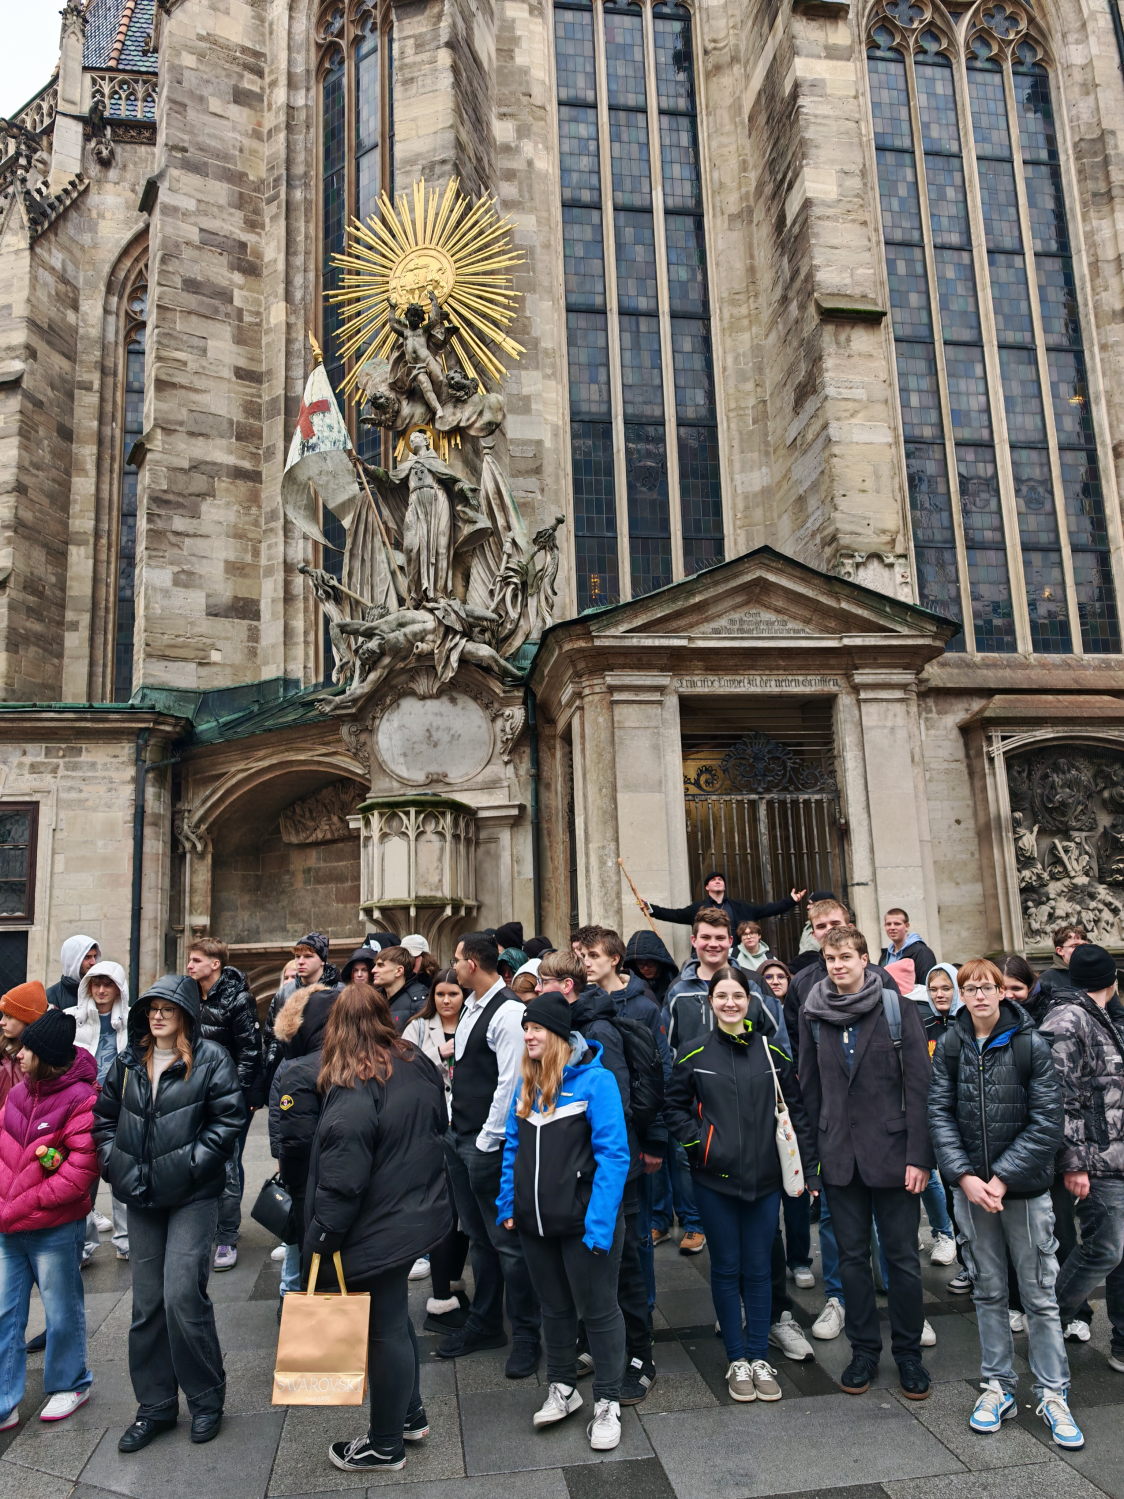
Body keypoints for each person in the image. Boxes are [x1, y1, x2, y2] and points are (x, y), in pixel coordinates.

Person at [928, 957, 1084, 1448]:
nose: (978, 995)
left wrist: (1001, 1178)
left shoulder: (1031, 1044)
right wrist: (965, 1176)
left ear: (1002, 992)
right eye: (969, 988)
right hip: (972, 1191)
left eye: (986, 987)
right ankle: (998, 1385)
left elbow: (1047, 1121)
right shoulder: (951, 1043)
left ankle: (1054, 1392)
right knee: (988, 1291)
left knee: (1039, 1293)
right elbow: (938, 1110)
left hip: (1025, 1190)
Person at [93, 974, 245, 1451]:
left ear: (185, 1014)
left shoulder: (211, 1059)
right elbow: (102, 1120)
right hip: (140, 1196)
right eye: (152, 1008)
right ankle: (155, 1406)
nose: (157, 1015)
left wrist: (192, 1165)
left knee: (183, 1295)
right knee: (146, 1306)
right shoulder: (128, 1061)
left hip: (192, 1197)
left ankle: (205, 1398)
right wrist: (113, 1163)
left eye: (167, 1008)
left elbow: (229, 1118)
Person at [304, 985, 452, 1474]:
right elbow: (438, 1121)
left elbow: (343, 1180)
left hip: (379, 1222)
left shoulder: (354, 1081)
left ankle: (385, 1444)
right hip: (416, 1211)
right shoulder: (413, 1058)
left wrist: (323, 1237)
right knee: (393, 1320)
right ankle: (408, 1414)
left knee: (383, 1329)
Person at [666, 966, 817, 1403]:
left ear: (750, 1001)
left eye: (737, 996)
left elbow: (798, 1113)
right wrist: (699, 1143)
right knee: (726, 1269)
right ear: (710, 1003)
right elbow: (673, 1106)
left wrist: (808, 1168)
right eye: (721, 996)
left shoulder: (773, 1055)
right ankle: (737, 1358)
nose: (730, 1003)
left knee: (760, 1269)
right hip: (714, 1182)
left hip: (765, 1181)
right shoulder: (692, 1053)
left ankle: (758, 1355)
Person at [798, 924, 934, 1400]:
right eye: (830, 959)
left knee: (902, 1260)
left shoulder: (898, 1008)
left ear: (863, 960)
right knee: (851, 1261)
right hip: (839, 1158)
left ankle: (910, 1354)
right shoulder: (813, 1013)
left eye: (845, 958)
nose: (837, 966)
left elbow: (921, 1087)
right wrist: (811, 1162)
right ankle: (864, 1352)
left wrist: (921, 1156)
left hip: (896, 1157)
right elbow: (808, 1091)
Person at [497, 991, 631, 1450]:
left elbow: (615, 1158)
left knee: (599, 1311)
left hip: (584, 1228)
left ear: (556, 1034)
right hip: (535, 1224)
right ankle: (563, 1388)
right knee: (553, 1309)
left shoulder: (598, 1082)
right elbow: (512, 1149)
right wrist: (507, 1206)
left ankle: (608, 1401)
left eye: (535, 1029)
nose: (528, 1035)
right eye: (526, 1029)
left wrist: (599, 1227)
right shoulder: (527, 1083)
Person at [550, 939, 667, 1403]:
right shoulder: (568, 1024)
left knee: (627, 1266)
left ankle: (639, 1356)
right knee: (595, 1262)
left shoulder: (600, 1029)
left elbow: (616, 1107)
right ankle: (599, 1344)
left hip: (614, 1170)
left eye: (541, 982)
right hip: (580, 1169)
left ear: (565, 987)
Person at [437, 932, 542, 1376]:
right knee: (480, 1240)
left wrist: (486, 1139)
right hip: (460, 1137)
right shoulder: (471, 1008)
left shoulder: (509, 1012)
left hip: (487, 1144)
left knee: (508, 1244)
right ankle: (485, 1322)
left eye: (458, 960)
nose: (455, 966)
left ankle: (527, 1334)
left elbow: (511, 1081)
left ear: (474, 964)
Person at [0, 1008, 98, 1429]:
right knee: (5, 1312)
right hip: (8, 1227)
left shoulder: (81, 1098)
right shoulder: (19, 1093)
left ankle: (71, 1382)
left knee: (61, 1310)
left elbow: (79, 1173)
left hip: (53, 1227)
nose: (18, 1055)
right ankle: (4, 1399)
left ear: (45, 1055)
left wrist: (22, 1204)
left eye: (27, 1049)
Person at [1043, 944, 1124, 1378]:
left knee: (1119, 1252)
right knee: (1103, 1249)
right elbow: (1059, 1096)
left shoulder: (1101, 1015)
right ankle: (1048, 1322)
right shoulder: (1068, 1018)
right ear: (1111, 980)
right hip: (1095, 1157)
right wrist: (1073, 1162)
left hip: (1115, 1152)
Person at [185, 938, 263, 1271]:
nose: (189, 966)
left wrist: (240, 1097)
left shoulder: (238, 999)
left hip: (227, 1097)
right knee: (200, 1165)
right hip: (193, 1095)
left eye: (196, 960)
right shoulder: (188, 995)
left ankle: (227, 1237)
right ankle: (208, 1228)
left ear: (214, 964)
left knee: (228, 1166)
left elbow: (250, 1052)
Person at [403, 970, 471, 1332]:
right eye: (441, 994)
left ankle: (455, 1285)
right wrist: (438, 1052)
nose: (447, 1001)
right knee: (445, 1208)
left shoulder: (473, 1022)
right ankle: (441, 1295)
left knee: (463, 1215)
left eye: (453, 994)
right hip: (432, 1127)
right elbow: (404, 1067)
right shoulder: (418, 1026)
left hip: (466, 1123)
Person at [267, 982, 336, 1302]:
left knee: (301, 1241)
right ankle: (292, 1295)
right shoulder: (302, 1064)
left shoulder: (298, 1062)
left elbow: (291, 1139)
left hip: (309, 1178)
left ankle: (292, 1298)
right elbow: (287, 1128)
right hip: (321, 1176)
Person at [71, 959, 131, 1262]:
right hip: (82, 1109)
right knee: (83, 1176)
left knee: (121, 1172)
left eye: (108, 984)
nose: (102, 990)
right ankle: (83, 1245)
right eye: (96, 983)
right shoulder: (73, 1019)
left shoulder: (134, 1021)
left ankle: (126, 1241)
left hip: (121, 1107)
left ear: (119, 988)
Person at [910, 962, 961, 1270]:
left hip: (960, 1113)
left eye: (946, 988)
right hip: (926, 1109)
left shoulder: (966, 1022)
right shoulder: (921, 1023)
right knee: (925, 1173)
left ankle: (950, 1235)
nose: (940, 994)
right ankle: (940, 1232)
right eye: (933, 989)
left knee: (954, 1178)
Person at [643, 870, 806, 931]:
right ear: (707, 887)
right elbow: (675, 915)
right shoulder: (698, 908)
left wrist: (790, 901)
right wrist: (651, 909)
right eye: (713, 880)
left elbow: (767, 910)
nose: (717, 881)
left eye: (720, 879)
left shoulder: (740, 907)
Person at [0, 981, 48, 1112]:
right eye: (3, 1015)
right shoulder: (3, 1051)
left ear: (27, 1020)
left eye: (9, 1016)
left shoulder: (43, 1059)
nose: (2, 1022)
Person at [1035, 924, 1088, 1013]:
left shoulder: (1098, 973)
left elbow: (1117, 1014)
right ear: (1060, 951)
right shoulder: (1045, 980)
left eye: (1084, 945)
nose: (1082, 949)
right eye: (1075, 946)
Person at [373, 945, 428, 1031]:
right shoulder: (374, 999)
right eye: (375, 965)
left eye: (380, 965)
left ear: (399, 971)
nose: (373, 970)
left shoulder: (419, 1000)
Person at [878, 909, 936, 984]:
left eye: (897, 924)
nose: (892, 928)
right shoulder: (885, 956)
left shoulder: (922, 952)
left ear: (907, 926)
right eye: (888, 924)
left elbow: (926, 985)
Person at [622, 929, 678, 1005]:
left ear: (659, 962)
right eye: (640, 963)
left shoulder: (674, 984)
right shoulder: (627, 984)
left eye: (650, 963)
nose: (645, 968)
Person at [46, 936, 99, 1010]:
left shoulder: (100, 991)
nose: (93, 962)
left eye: (95, 956)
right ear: (73, 960)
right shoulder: (51, 995)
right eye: (87, 957)